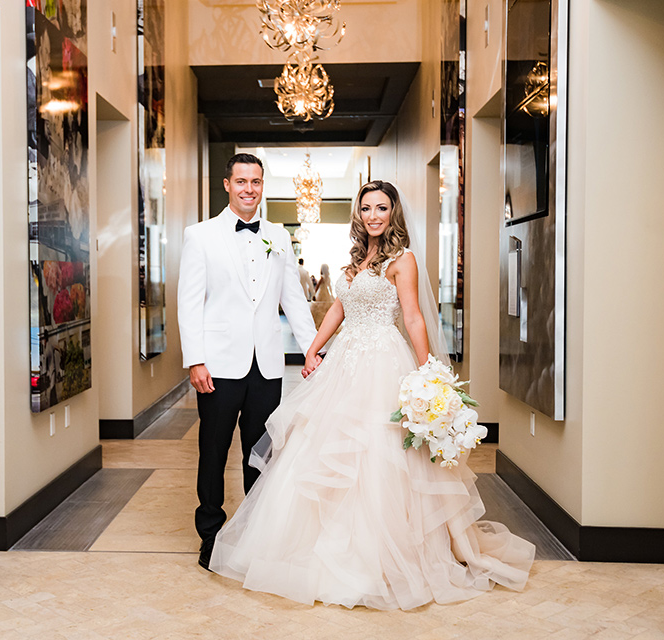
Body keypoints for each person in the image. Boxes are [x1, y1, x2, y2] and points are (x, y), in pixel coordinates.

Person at [210, 181, 534, 610]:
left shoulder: (403, 260)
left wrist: (428, 373)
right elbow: (340, 310)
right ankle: (320, 552)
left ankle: (382, 560)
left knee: (380, 458)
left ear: (393, 212)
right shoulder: (356, 260)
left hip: (383, 360)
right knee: (323, 453)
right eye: (366, 208)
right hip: (345, 361)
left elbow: (414, 318)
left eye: (382, 208)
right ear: (358, 214)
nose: (374, 215)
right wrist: (313, 347)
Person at [178, 153, 319, 571]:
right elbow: (189, 303)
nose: (249, 189)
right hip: (218, 367)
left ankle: (256, 536)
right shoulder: (199, 236)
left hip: (268, 368)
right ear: (227, 185)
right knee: (213, 452)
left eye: (256, 182)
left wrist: (313, 350)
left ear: (262, 186)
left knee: (261, 455)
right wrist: (195, 360)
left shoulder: (278, 235)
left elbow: (292, 299)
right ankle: (211, 536)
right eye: (241, 181)